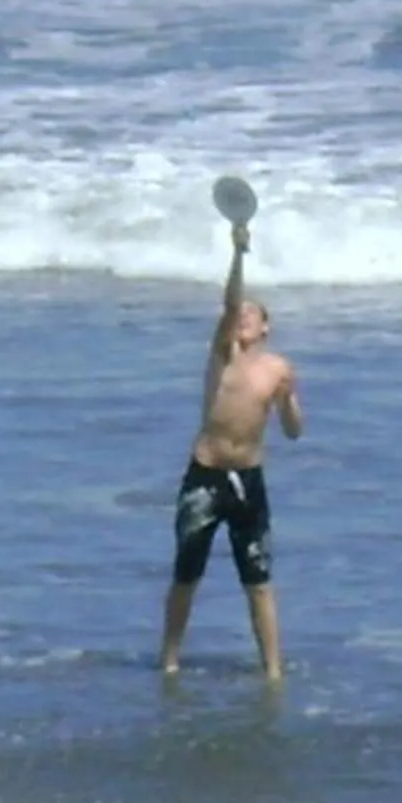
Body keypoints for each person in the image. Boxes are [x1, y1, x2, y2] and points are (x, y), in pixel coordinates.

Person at [160, 218, 304, 680]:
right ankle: (169, 660)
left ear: (266, 326)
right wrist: (238, 253)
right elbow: (228, 302)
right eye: (237, 313)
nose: (241, 316)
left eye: (250, 314)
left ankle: (273, 671)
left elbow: (293, 431)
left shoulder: (278, 369)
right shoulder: (224, 353)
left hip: (248, 480)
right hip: (205, 476)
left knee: (258, 582)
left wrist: (288, 400)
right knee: (187, 575)